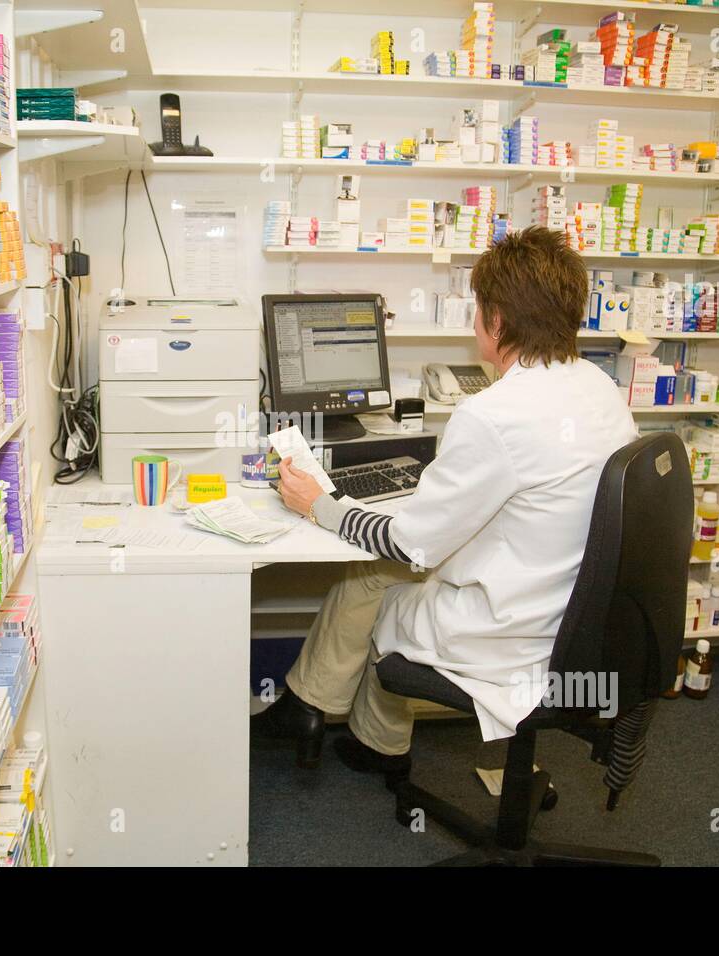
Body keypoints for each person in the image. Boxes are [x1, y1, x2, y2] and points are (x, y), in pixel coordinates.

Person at [252, 226, 639, 774]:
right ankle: (366, 740)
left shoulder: (494, 413)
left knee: (375, 588)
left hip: (516, 632)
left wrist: (319, 504)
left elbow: (413, 546)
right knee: (371, 577)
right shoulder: (597, 386)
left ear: (496, 321)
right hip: (580, 613)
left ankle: (315, 710)